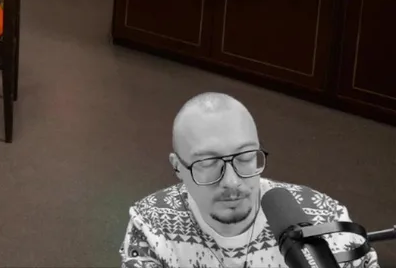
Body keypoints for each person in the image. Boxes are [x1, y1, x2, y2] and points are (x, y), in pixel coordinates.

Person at [120, 92, 378, 268]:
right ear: (178, 167)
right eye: (208, 163)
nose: (232, 182)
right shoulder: (151, 225)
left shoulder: (327, 222)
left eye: (245, 158)